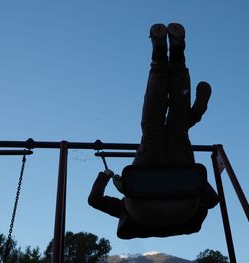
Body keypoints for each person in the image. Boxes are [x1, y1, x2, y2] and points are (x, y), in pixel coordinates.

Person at [88, 23, 219, 239]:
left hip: (182, 192)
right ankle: (159, 58)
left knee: (178, 126)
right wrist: (105, 175)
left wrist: (196, 182)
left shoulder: (177, 206)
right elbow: (94, 200)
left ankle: (177, 56)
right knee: (153, 125)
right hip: (143, 199)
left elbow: (212, 201)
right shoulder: (125, 208)